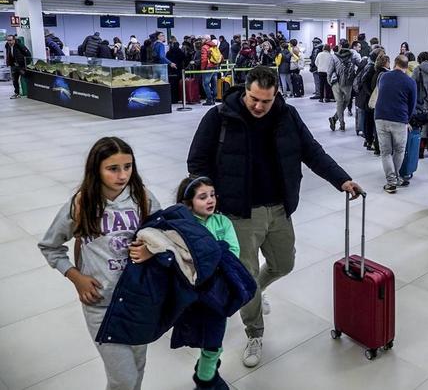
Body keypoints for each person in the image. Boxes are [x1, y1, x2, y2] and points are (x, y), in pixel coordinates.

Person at [187, 66, 363, 368]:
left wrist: (341, 179)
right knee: (247, 276)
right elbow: (197, 161)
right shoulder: (219, 117)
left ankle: (255, 291)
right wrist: (205, 198)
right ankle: (254, 331)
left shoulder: (287, 116)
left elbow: (312, 151)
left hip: (279, 209)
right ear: (245, 90)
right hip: (238, 214)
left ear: (276, 95)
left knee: (284, 263)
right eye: (253, 98)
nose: (258, 106)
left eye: (265, 101)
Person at [38, 137, 161, 390]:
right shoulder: (82, 203)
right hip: (100, 304)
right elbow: (50, 246)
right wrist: (75, 277)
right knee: (123, 379)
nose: (122, 175)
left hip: (138, 299)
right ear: (97, 169)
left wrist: (151, 249)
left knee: (137, 367)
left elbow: (167, 236)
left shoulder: (144, 198)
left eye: (128, 166)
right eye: (113, 168)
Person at [175, 176, 239, 389]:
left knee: (214, 339)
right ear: (188, 203)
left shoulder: (223, 222)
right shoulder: (183, 227)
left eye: (212, 195)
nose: (210, 200)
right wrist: (215, 254)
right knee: (205, 337)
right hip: (195, 295)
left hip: (219, 292)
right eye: (202, 197)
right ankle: (206, 376)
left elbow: (233, 253)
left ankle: (205, 376)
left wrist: (210, 258)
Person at [374, 54, 418, 193]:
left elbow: (381, 93)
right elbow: (412, 104)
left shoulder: (383, 76)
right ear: (407, 66)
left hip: (380, 117)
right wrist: (407, 119)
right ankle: (395, 178)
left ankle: (391, 181)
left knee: (385, 151)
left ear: (395, 63)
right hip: (399, 119)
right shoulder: (410, 82)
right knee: (399, 150)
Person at [328, 42, 360, 131]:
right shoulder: (353, 56)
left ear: (340, 46)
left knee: (339, 102)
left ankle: (338, 121)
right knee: (346, 101)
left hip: (336, 83)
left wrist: (329, 82)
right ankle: (338, 121)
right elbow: (360, 66)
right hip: (348, 83)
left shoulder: (334, 56)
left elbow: (330, 70)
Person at [200, 36, 218, 106]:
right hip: (215, 66)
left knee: (205, 83)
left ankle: (209, 99)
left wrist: (203, 69)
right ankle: (214, 98)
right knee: (214, 83)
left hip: (208, 67)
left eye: (203, 39)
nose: (202, 40)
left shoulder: (204, 47)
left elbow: (204, 59)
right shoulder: (214, 46)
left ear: (206, 40)